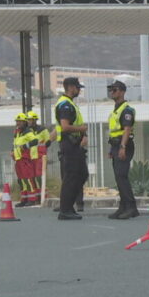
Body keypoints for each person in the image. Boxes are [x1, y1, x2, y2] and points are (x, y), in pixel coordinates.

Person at [55, 77, 89, 220]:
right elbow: (65, 126)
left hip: (75, 144)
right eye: (77, 87)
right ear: (70, 87)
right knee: (71, 177)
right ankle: (65, 209)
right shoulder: (65, 105)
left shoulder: (70, 104)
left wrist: (83, 133)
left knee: (81, 175)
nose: (79, 90)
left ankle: (68, 206)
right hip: (69, 144)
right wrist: (81, 128)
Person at [106, 80, 139, 219]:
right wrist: (112, 148)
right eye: (111, 89)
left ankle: (131, 207)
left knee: (122, 176)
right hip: (115, 145)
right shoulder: (115, 110)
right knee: (118, 177)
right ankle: (123, 206)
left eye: (115, 89)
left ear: (122, 92)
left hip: (123, 144)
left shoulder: (126, 110)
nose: (112, 92)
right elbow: (114, 131)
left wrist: (122, 147)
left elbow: (126, 130)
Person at [12, 113, 36, 207]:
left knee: (28, 179)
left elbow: (35, 141)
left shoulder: (27, 131)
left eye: (20, 121)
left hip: (25, 159)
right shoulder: (17, 132)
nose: (18, 123)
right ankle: (24, 199)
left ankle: (32, 199)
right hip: (18, 159)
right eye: (17, 121)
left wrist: (25, 146)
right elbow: (15, 144)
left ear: (25, 122)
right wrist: (12, 151)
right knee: (21, 181)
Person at [27, 110, 50, 206]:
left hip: (40, 157)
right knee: (31, 178)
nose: (29, 122)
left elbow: (48, 141)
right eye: (28, 120)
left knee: (39, 177)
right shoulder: (27, 131)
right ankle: (35, 198)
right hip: (30, 157)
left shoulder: (42, 130)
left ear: (35, 120)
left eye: (30, 120)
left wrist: (43, 148)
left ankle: (43, 196)